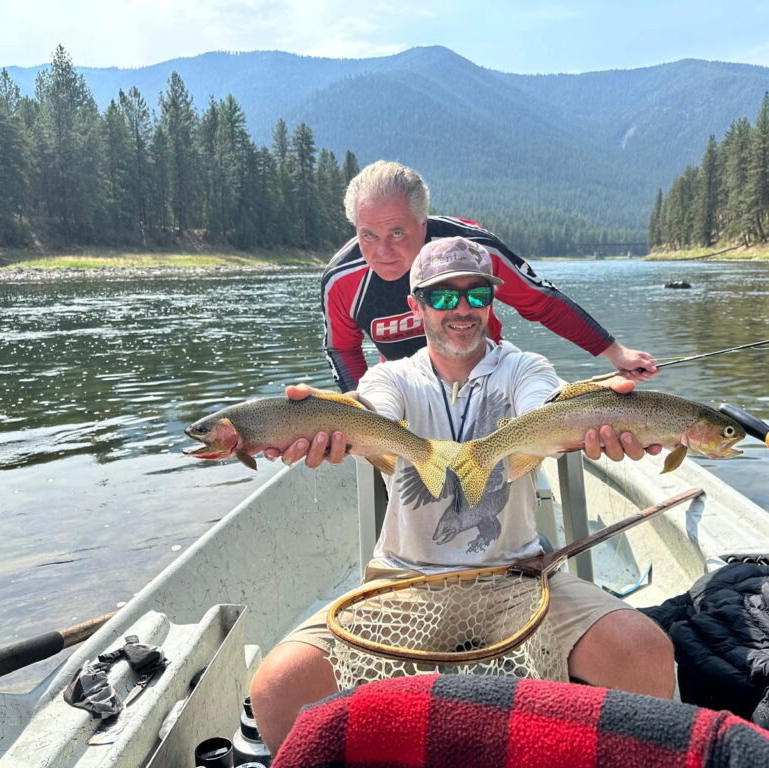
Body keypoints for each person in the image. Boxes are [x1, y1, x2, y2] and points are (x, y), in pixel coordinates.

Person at [251, 237, 674, 751]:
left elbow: (542, 411)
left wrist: (606, 419)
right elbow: (374, 412)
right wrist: (321, 422)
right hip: (402, 583)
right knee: (276, 689)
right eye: (443, 298)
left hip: (517, 576)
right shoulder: (391, 377)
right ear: (416, 307)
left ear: (491, 302)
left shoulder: (526, 369)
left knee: (646, 650)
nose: (463, 310)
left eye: (476, 295)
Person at [321, 160, 659, 392]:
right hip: (406, 387)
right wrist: (362, 408)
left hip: (488, 374)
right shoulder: (341, 280)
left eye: (397, 233)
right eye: (368, 235)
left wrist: (614, 353)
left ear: (422, 225)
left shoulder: (473, 251)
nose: (382, 251)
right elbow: (342, 348)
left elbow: (541, 302)